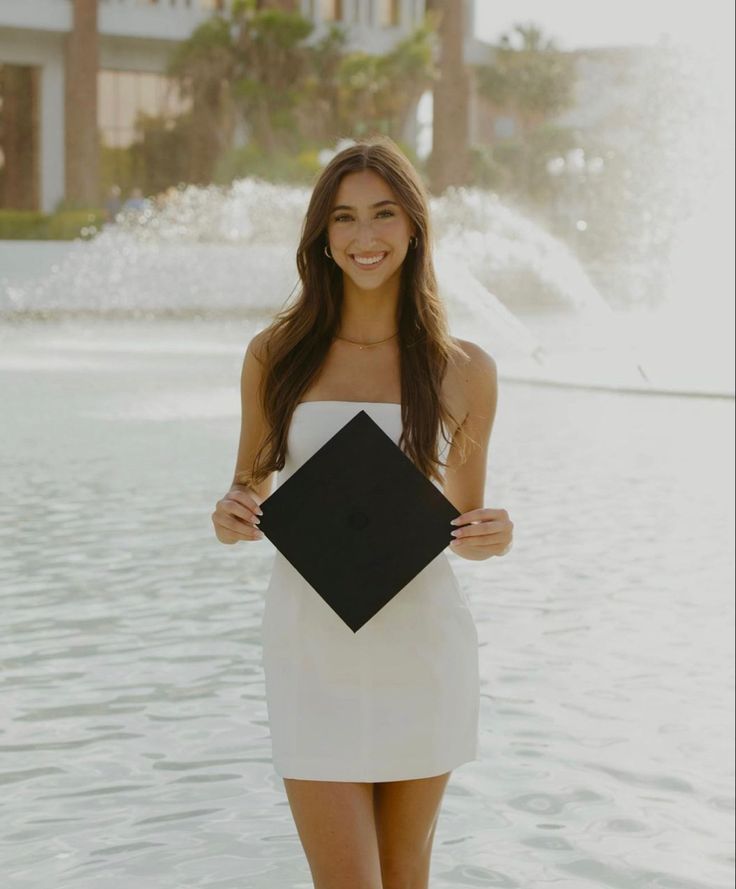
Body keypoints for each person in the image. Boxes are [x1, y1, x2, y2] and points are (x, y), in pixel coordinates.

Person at [211, 136, 514, 889]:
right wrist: (232, 514)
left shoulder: (464, 367)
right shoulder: (275, 354)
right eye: (344, 219)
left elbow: (462, 526)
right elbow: (249, 487)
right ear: (322, 235)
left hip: (422, 648)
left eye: (383, 214)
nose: (364, 237)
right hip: (311, 649)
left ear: (413, 227)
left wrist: (493, 535)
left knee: (407, 876)